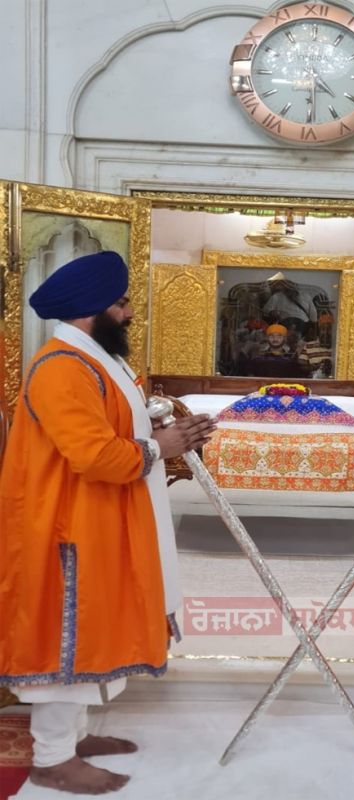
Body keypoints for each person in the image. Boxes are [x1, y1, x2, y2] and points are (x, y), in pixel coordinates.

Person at [0, 251, 216, 795]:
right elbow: (94, 456)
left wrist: (163, 430)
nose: (127, 313)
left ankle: (70, 740)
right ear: (91, 308)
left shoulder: (94, 360)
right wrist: (159, 446)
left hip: (96, 522)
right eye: (120, 303)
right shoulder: (60, 368)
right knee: (65, 638)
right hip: (65, 532)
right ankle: (51, 759)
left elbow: (117, 427)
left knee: (89, 630)